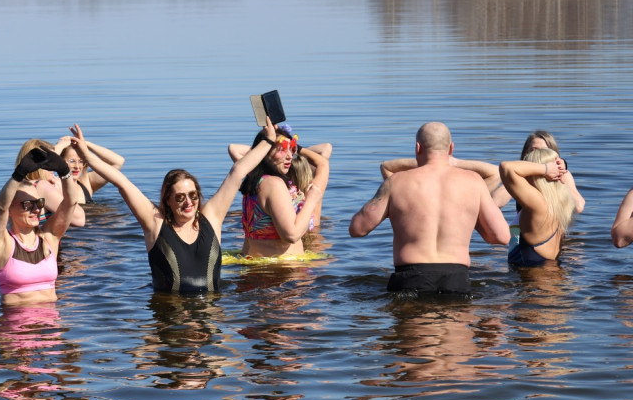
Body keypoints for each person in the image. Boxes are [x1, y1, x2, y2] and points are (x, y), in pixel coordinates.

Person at [69, 122, 273, 293]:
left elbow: (237, 172)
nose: (188, 202)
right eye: (180, 197)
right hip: (170, 319)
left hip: (211, 317)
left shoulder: (212, 217)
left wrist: (269, 140)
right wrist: (87, 156)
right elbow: (123, 183)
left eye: (193, 196)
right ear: (167, 200)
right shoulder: (155, 223)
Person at [348, 122, 510, 295]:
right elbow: (501, 236)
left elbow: (357, 229)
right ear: (451, 149)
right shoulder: (474, 182)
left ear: (418, 147)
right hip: (456, 279)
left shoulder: (396, 182)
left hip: (409, 279)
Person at [0, 144, 79, 306]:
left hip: (50, 327)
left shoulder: (49, 237)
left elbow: (70, 203)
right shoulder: (2, 243)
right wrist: (18, 174)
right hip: (14, 327)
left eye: (39, 203)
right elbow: (0, 208)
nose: (36, 209)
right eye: (28, 204)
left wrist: (64, 171)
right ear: (11, 208)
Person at [227, 124, 330, 257]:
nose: (289, 156)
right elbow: (291, 235)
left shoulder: (254, 179)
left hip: (257, 267)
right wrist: (311, 200)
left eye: (291, 149)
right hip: (281, 272)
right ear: (265, 152)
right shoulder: (273, 184)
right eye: (282, 150)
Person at [499, 148, 575, 266]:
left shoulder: (539, 206)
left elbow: (506, 168)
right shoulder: (560, 206)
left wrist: (545, 169)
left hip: (533, 282)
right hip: (552, 279)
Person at [379, 152, 512, 208]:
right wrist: (452, 162)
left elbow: (386, 166)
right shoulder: (465, 199)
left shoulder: (409, 195)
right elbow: (496, 173)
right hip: (456, 263)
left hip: (412, 263)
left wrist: (430, 160)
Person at [13, 140, 86, 228]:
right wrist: (61, 190)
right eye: (51, 162)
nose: (54, 168)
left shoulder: (17, 186)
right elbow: (80, 219)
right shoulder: (41, 186)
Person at [518, 131, 585, 213]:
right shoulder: (520, 177)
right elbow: (498, 201)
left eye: (544, 151)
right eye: (534, 150)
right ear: (526, 153)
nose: (539, 155)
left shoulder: (564, 175)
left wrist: (561, 173)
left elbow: (578, 207)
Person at [53, 134, 126, 204]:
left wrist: (84, 144)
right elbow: (45, 164)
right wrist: (60, 145)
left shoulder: (86, 182)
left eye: (81, 161)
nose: (77, 166)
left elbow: (118, 162)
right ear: (60, 161)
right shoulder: (54, 185)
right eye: (72, 161)